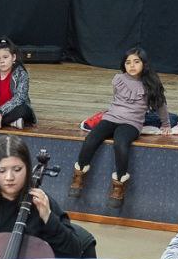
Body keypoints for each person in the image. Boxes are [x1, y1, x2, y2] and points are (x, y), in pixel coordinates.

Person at [68, 47, 169, 209]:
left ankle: (119, 185)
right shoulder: (119, 79)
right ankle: (78, 176)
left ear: (144, 63)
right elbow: (117, 100)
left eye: (136, 62)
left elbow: (161, 105)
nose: (132, 65)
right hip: (111, 117)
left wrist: (166, 124)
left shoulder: (151, 83)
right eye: (128, 62)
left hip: (131, 122)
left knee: (120, 144)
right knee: (91, 139)